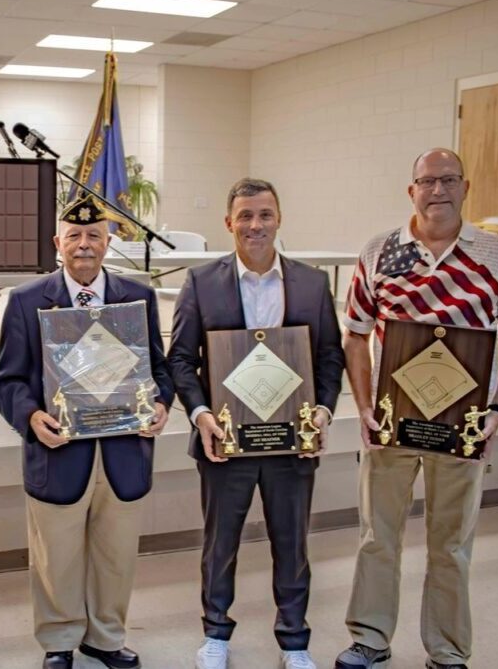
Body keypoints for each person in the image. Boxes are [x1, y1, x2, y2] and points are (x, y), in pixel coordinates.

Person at [334, 148, 498, 669]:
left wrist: (497, 413)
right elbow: (355, 337)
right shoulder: (379, 251)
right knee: (378, 537)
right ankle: (370, 640)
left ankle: (446, 650)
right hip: (390, 424)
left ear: (465, 187)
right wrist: (363, 408)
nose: (438, 190)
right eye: (427, 181)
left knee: (452, 545)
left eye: (449, 180)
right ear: (412, 190)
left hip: (463, 429)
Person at [0, 194, 175, 669]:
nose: (84, 244)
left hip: (124, 452)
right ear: (58, 242)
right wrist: (31, 417)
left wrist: (160, 403)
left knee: (116, 556)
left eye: (94, 235)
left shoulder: (140, 297)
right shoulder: (28, 301)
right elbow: (7, 380)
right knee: (57, 556)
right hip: (58, 451)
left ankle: (107, 638)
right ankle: (58, 640)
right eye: (74, 235)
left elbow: (160, 368)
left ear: (109, 242)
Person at [167, 178, 345, 669]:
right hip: (223, 443)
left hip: (293, 444)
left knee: (292, 543)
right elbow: (181, 359)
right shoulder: (202, 283)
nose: (255, 225)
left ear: (279, 218)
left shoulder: (312, 282)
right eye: (245, 216)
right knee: (220, 543)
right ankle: (216, 634)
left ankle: (295, 641)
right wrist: (201, 416)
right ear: (229, 224)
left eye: (264, 214)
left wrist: (323, 412)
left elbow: (330, 356)